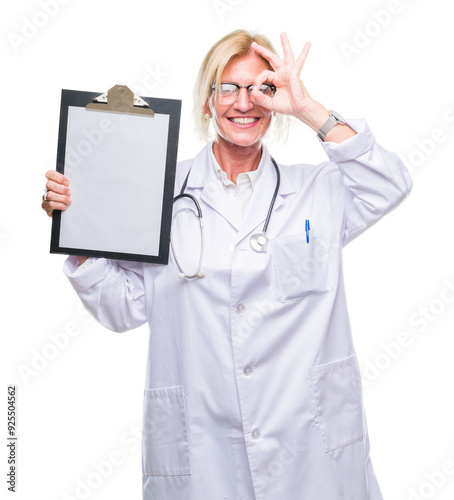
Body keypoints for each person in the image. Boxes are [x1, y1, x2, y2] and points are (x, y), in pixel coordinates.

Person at [42, 30, 412, 500]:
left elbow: (389, 184)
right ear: (207, 102)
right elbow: (124, 308)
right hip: (203, 447)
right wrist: (80, 231)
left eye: (263, 88)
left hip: (311, 447)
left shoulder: (318, 190)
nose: (245, 102)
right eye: (230, 88)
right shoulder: (157, 191)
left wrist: (306, 107)